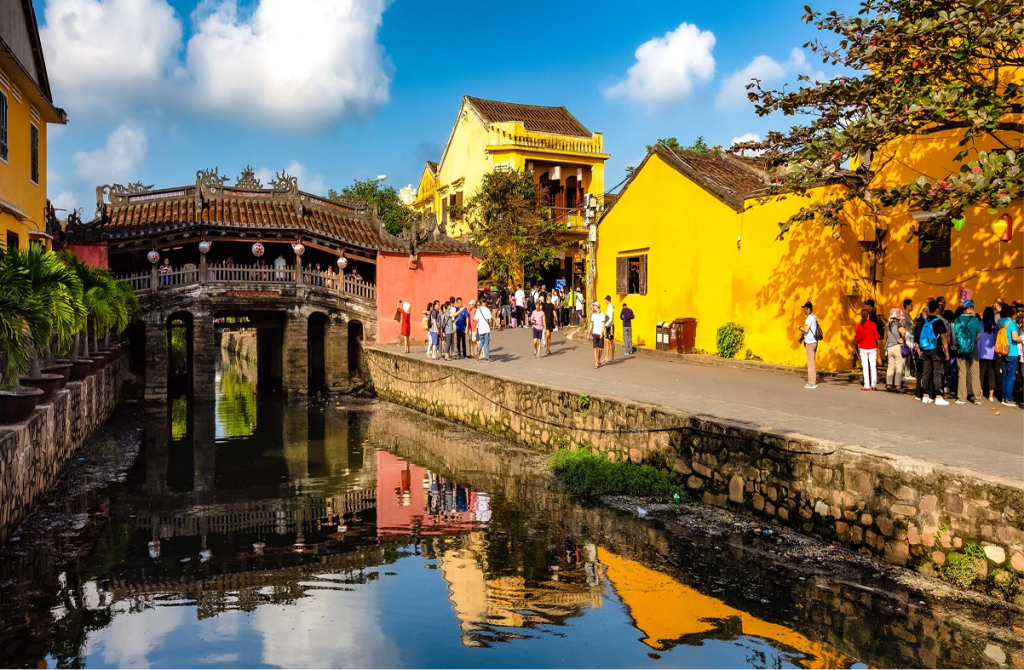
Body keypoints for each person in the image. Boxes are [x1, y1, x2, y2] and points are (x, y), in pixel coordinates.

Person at [916, 299, 950, 405]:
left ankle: (925, 395)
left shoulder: (924, 322)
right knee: (937, 374)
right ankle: (938, 397)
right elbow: (944, 338)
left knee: (925, 373)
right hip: (936, 351)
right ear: (936, 309)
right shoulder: (939, 322)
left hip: (925, 350)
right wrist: (947, 352)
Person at [953, 300, 982, 405]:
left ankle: (961, 398)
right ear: (968, 308)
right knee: (975, 373)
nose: (973, 309)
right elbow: (979, 336)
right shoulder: (975, 320)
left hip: (961, 348)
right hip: (973, 348)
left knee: (962, 373)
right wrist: (972, 342)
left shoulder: (957, 320)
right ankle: (977, 398)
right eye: (972, 307)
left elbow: (955, 334)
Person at [999, 305, 1022, 407]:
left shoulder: (1001, 322)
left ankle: (1003, 397)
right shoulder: (1012, 323)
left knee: (1004, 375)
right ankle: (1009, 398)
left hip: (1003, 350)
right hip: (1012, 351)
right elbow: (1015, 337)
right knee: (1011, 376)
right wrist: (1022, 338)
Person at [856, 308, 880, 391]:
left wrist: (857, 341)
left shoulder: (859, 326)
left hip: (863, 347)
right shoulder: (872, 324)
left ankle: (867, 385)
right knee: (873, 366)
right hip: (872, 347)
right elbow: (877, 336)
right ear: (868, 315)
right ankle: (874, 384)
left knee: (865, 367)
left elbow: (857, 338)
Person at [979, 306, 1000, 402]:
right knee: (991, 373)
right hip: (992, 354)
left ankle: (980, 391)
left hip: (981, 353)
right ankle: (991, 395)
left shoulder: (980, 325)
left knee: (981, 372)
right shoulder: (995, 326)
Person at [798, 301, 819, 389]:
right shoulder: (814, 317)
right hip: (814, 341)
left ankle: (811, 382)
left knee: (810, 364)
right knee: (812, 362)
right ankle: (813, 380)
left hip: (810, 342)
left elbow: (806, 330)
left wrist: (799, 327)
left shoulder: (809, 318)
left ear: (809, 309)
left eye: (805, 309)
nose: (804, 310)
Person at [884, 308, 906, 391]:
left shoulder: (888, 325)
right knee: (899, 366)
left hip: (889, 347)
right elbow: (903, 332)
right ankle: (898, 385)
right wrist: (902, 339)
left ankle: (889, 384)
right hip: (897, 346)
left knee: (890, 366)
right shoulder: (898, 324)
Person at [902, 298, 917, 380]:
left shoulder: (909, 316)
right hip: (907, 337)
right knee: (906, 355)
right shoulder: (904, 316)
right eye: (911, 305)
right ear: (907, 305)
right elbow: (903, 327)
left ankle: (908, 373)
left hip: (911, 337)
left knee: (910, 356)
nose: (912, 306)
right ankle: (906, 373)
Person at [590, 301, 607, 369]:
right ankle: (596, 362)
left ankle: (599, 359)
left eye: (594, 306)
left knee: (600, 349)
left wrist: (602, 333)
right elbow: (591, 324)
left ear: (597, 306)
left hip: (600, 333)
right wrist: (589, 333)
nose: (593, 307)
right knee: (595, 348)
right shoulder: (593, 315)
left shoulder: (602, 315)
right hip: (594, 333)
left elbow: (603, 324)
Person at [603, 295, 616, 363]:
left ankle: (612, 357)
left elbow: (610, 318)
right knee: (606, 341)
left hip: (610, 326)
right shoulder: (609, 306)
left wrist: (606, 325)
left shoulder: (610, 307)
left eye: (606, 300)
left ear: (607, 300)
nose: (605, 301)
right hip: (608, 326)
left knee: (611, 342)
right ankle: (607, 356)